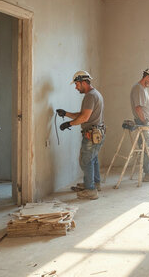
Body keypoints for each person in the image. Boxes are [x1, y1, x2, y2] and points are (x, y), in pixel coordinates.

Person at [57, 70, 105, 200]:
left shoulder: (90, 96)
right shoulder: (95, 94)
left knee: (86, 161)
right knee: (92, 159)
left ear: (84, 82)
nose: (76, 87)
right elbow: (83, 114)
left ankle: (90, 190)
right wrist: (66, 113)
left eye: (77, 84)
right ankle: (94, 183)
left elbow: (84, 118)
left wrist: (69, 124)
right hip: (97, 133)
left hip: (91, 134)